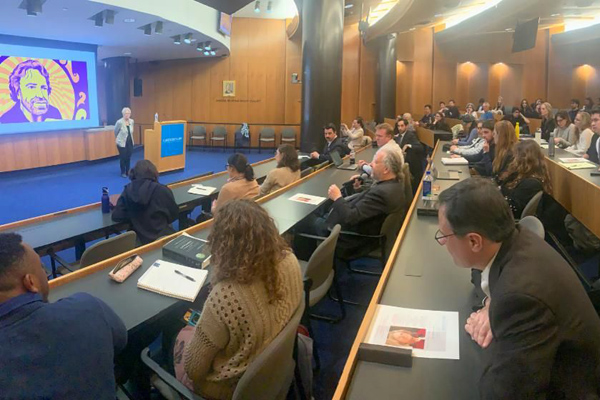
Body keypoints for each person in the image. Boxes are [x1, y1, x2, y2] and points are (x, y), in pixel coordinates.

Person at [436, 178, 600, 399]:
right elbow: (478, 269)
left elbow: (504, 391)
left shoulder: (520, 297)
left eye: (444, 236)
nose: (443, 243)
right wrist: (490, 302)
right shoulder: (514, 237)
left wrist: (496, 313)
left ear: (474, 241)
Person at [175, 200, 303, 400]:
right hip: (274, 373)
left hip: (228, 389)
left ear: (222, 245)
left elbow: (194, 370)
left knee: (182, 335)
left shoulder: (225, 295)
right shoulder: (290, 260)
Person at [0, 233, 127, 399]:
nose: (45, 274)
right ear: (30, 282)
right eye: (41, 267)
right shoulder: (89, 308)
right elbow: (121, 342)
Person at [301, 148, 408, 259]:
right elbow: (367, 206)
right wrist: (357, 189)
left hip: (346, 237)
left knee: (303, 219)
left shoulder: (382, 193)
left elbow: (350, 217)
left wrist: (338, 197)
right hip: (353, 228)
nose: (370, 164)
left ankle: (310, 266)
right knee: (319, 209)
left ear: (386, 169)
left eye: (375, 162)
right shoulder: (393, 185)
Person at [112, 159, 179, 245]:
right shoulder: (163, 190)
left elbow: (117, 216)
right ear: (154, 173)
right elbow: (174, 215)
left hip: (139, 242)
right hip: (164, 239)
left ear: (133, 174)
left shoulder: (127, 191)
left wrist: (132, 213)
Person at [498, 140, 552, 218]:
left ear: (523, 159)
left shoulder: (531, 183)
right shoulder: (519, 175)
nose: (514, 159)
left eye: (516, 156)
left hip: (507, 219)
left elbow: (513, 208)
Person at [0, 60, 63, 124]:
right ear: (18, 92)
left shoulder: (55, 114)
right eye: (31, 87)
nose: (40, 95)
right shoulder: (6, 121)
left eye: (43, 88)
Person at [115, 107, 135, 177]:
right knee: (123, 157)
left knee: (128, 157)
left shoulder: (132, 121)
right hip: (121, 142)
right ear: (123, 114)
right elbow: (116, 131)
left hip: (130, 142)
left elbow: (131, 132)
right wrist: (119, 138)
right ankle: (123, 172)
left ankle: (128, 171)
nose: (127, 115)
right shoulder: (119, 122)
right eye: (126, 113)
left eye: (129, 113)